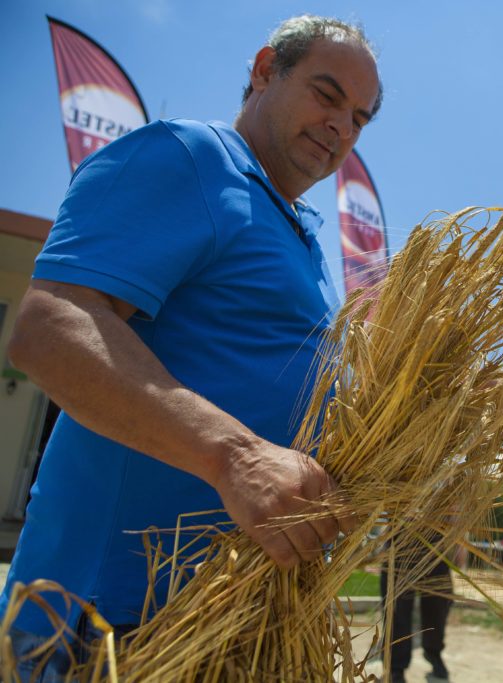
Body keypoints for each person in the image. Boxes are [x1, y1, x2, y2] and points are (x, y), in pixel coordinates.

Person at [0, 14, 382, 677]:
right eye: (327, 94)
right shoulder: (192, 157)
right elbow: (50, 328)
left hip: (227, 627)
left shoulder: (301, 234)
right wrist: (233, 457)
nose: (342, 127)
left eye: (360, 117)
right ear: (265, 70)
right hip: (110, 628)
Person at [380, 541, 453, 683]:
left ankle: (433, 652)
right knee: (397, 608)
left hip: (437, 542)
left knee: (438, 605)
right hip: (400, 542)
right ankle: (395, 668)